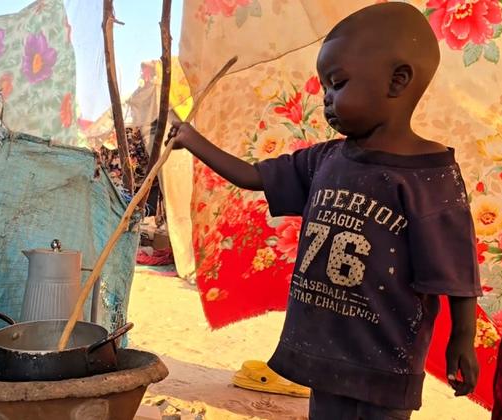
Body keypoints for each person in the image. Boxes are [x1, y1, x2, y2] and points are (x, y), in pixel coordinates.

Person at [168, 3, 480, 419]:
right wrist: (189, 137)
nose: (327, 101)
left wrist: (462, 338)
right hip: (324, 350)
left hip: (383, 360)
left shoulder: (429, 176)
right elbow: (251, 176)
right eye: (325, 90)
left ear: (397, 80)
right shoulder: (325, 160)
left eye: (337, 84)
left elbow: (456, 269)